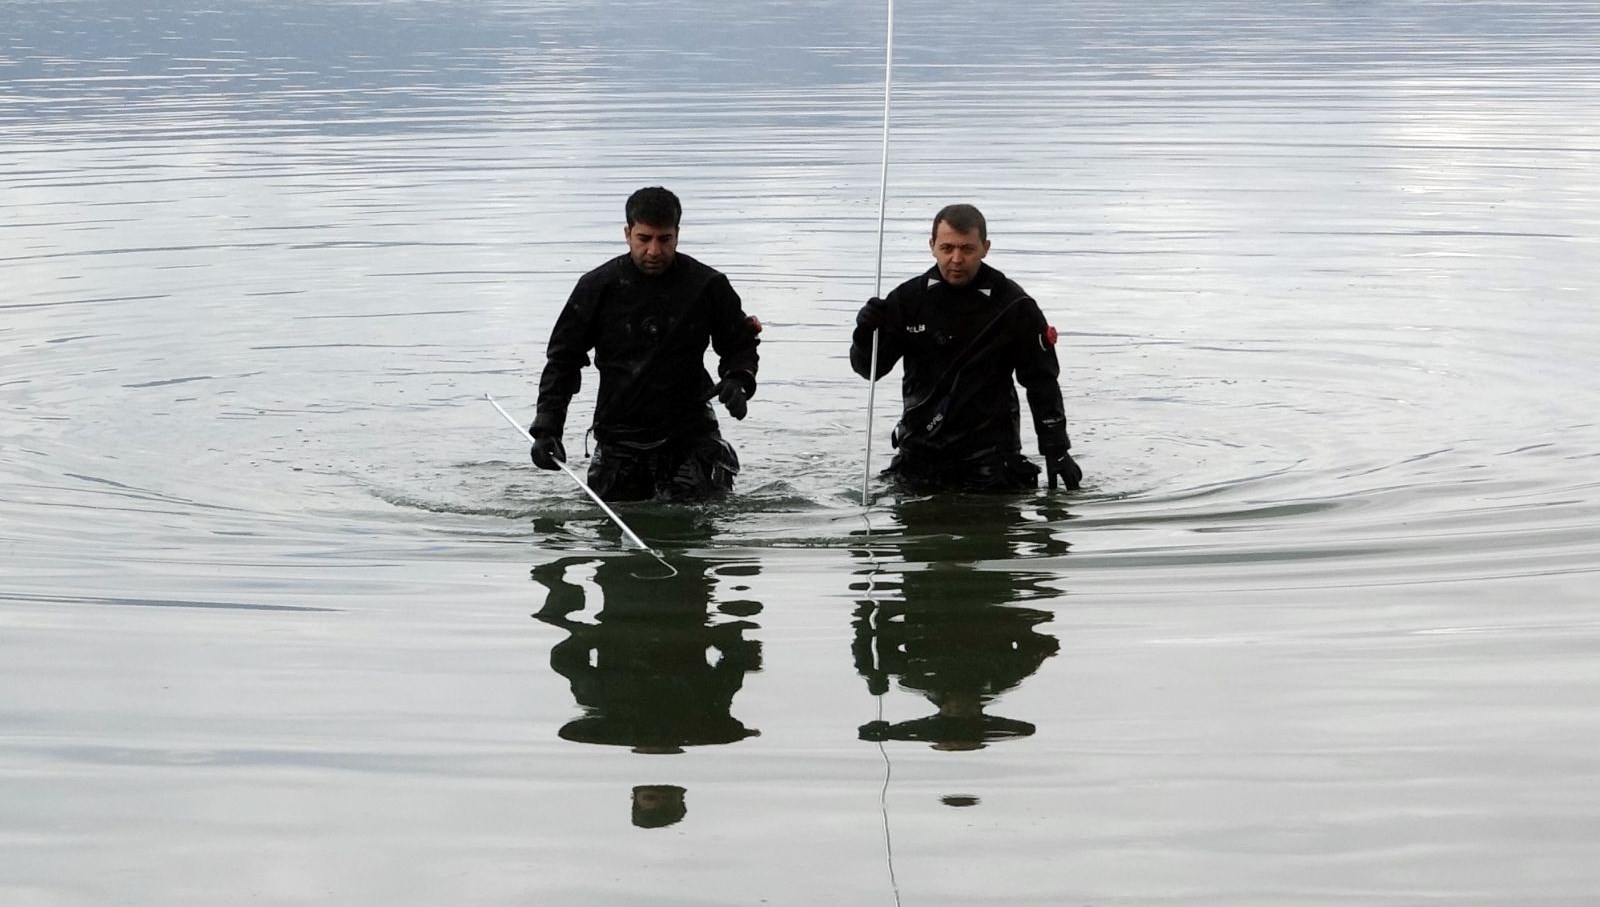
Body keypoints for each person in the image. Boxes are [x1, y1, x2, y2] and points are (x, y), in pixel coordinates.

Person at [528, 186, 762, 501]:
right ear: (628, 234)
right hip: (619, 436)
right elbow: (564, 360)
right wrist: (547, 428)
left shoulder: (707, 286)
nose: (654, 251)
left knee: (698, 522)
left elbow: (739, 344)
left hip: (690, 433)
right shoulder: (596, 287)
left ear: (677, 234)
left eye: (664, 239)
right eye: (644, 239)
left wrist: (739, 378)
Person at [851, 203, 1082, 492]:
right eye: (947, 248)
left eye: (967, 249)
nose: (956, 259)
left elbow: (1041, 381)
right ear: (932, 246)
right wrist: (863, 333)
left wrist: (1056, 449)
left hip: (992, 460)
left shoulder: (1014, 305)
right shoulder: (906, 301)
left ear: (985, 248)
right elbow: (869, 370)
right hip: (920, 455)